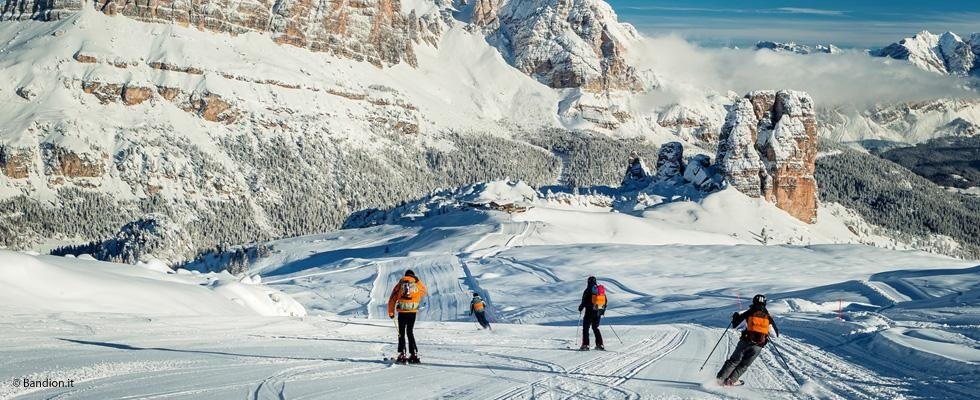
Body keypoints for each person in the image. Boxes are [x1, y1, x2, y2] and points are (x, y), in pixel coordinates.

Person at [716, 294, 780, 386]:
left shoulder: (749, 313)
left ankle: (719, 380)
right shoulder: (768, 317)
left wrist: (736, 317)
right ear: (765, 303)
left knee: (734, 361)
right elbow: (775, 335)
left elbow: (736, 326)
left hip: (745, 342)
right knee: (744, 365)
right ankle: (730, 381)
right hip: (758, 346)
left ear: (753, 302)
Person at [388, 269, 427, 364]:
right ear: (413, 275)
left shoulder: (400, 283)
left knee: (401, 332)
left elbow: (392, 298)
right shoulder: (416, 283)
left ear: (405, 275)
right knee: (410, 332)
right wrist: (418, 280)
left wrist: (391, 313)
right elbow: (424, 292)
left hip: (402, 311)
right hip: (412, 312)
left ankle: (402, 353)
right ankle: (413, 354)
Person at [577, 276, 606, 351]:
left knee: (586, 329)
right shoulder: (600, 290)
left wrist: (580, 308)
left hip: (589, 312)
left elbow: (584, 301)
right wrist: (602, 310)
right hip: (598, 312)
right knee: (595, 328)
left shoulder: (588, 290)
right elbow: (605, 301)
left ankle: (585, 345)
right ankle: (600, 344)